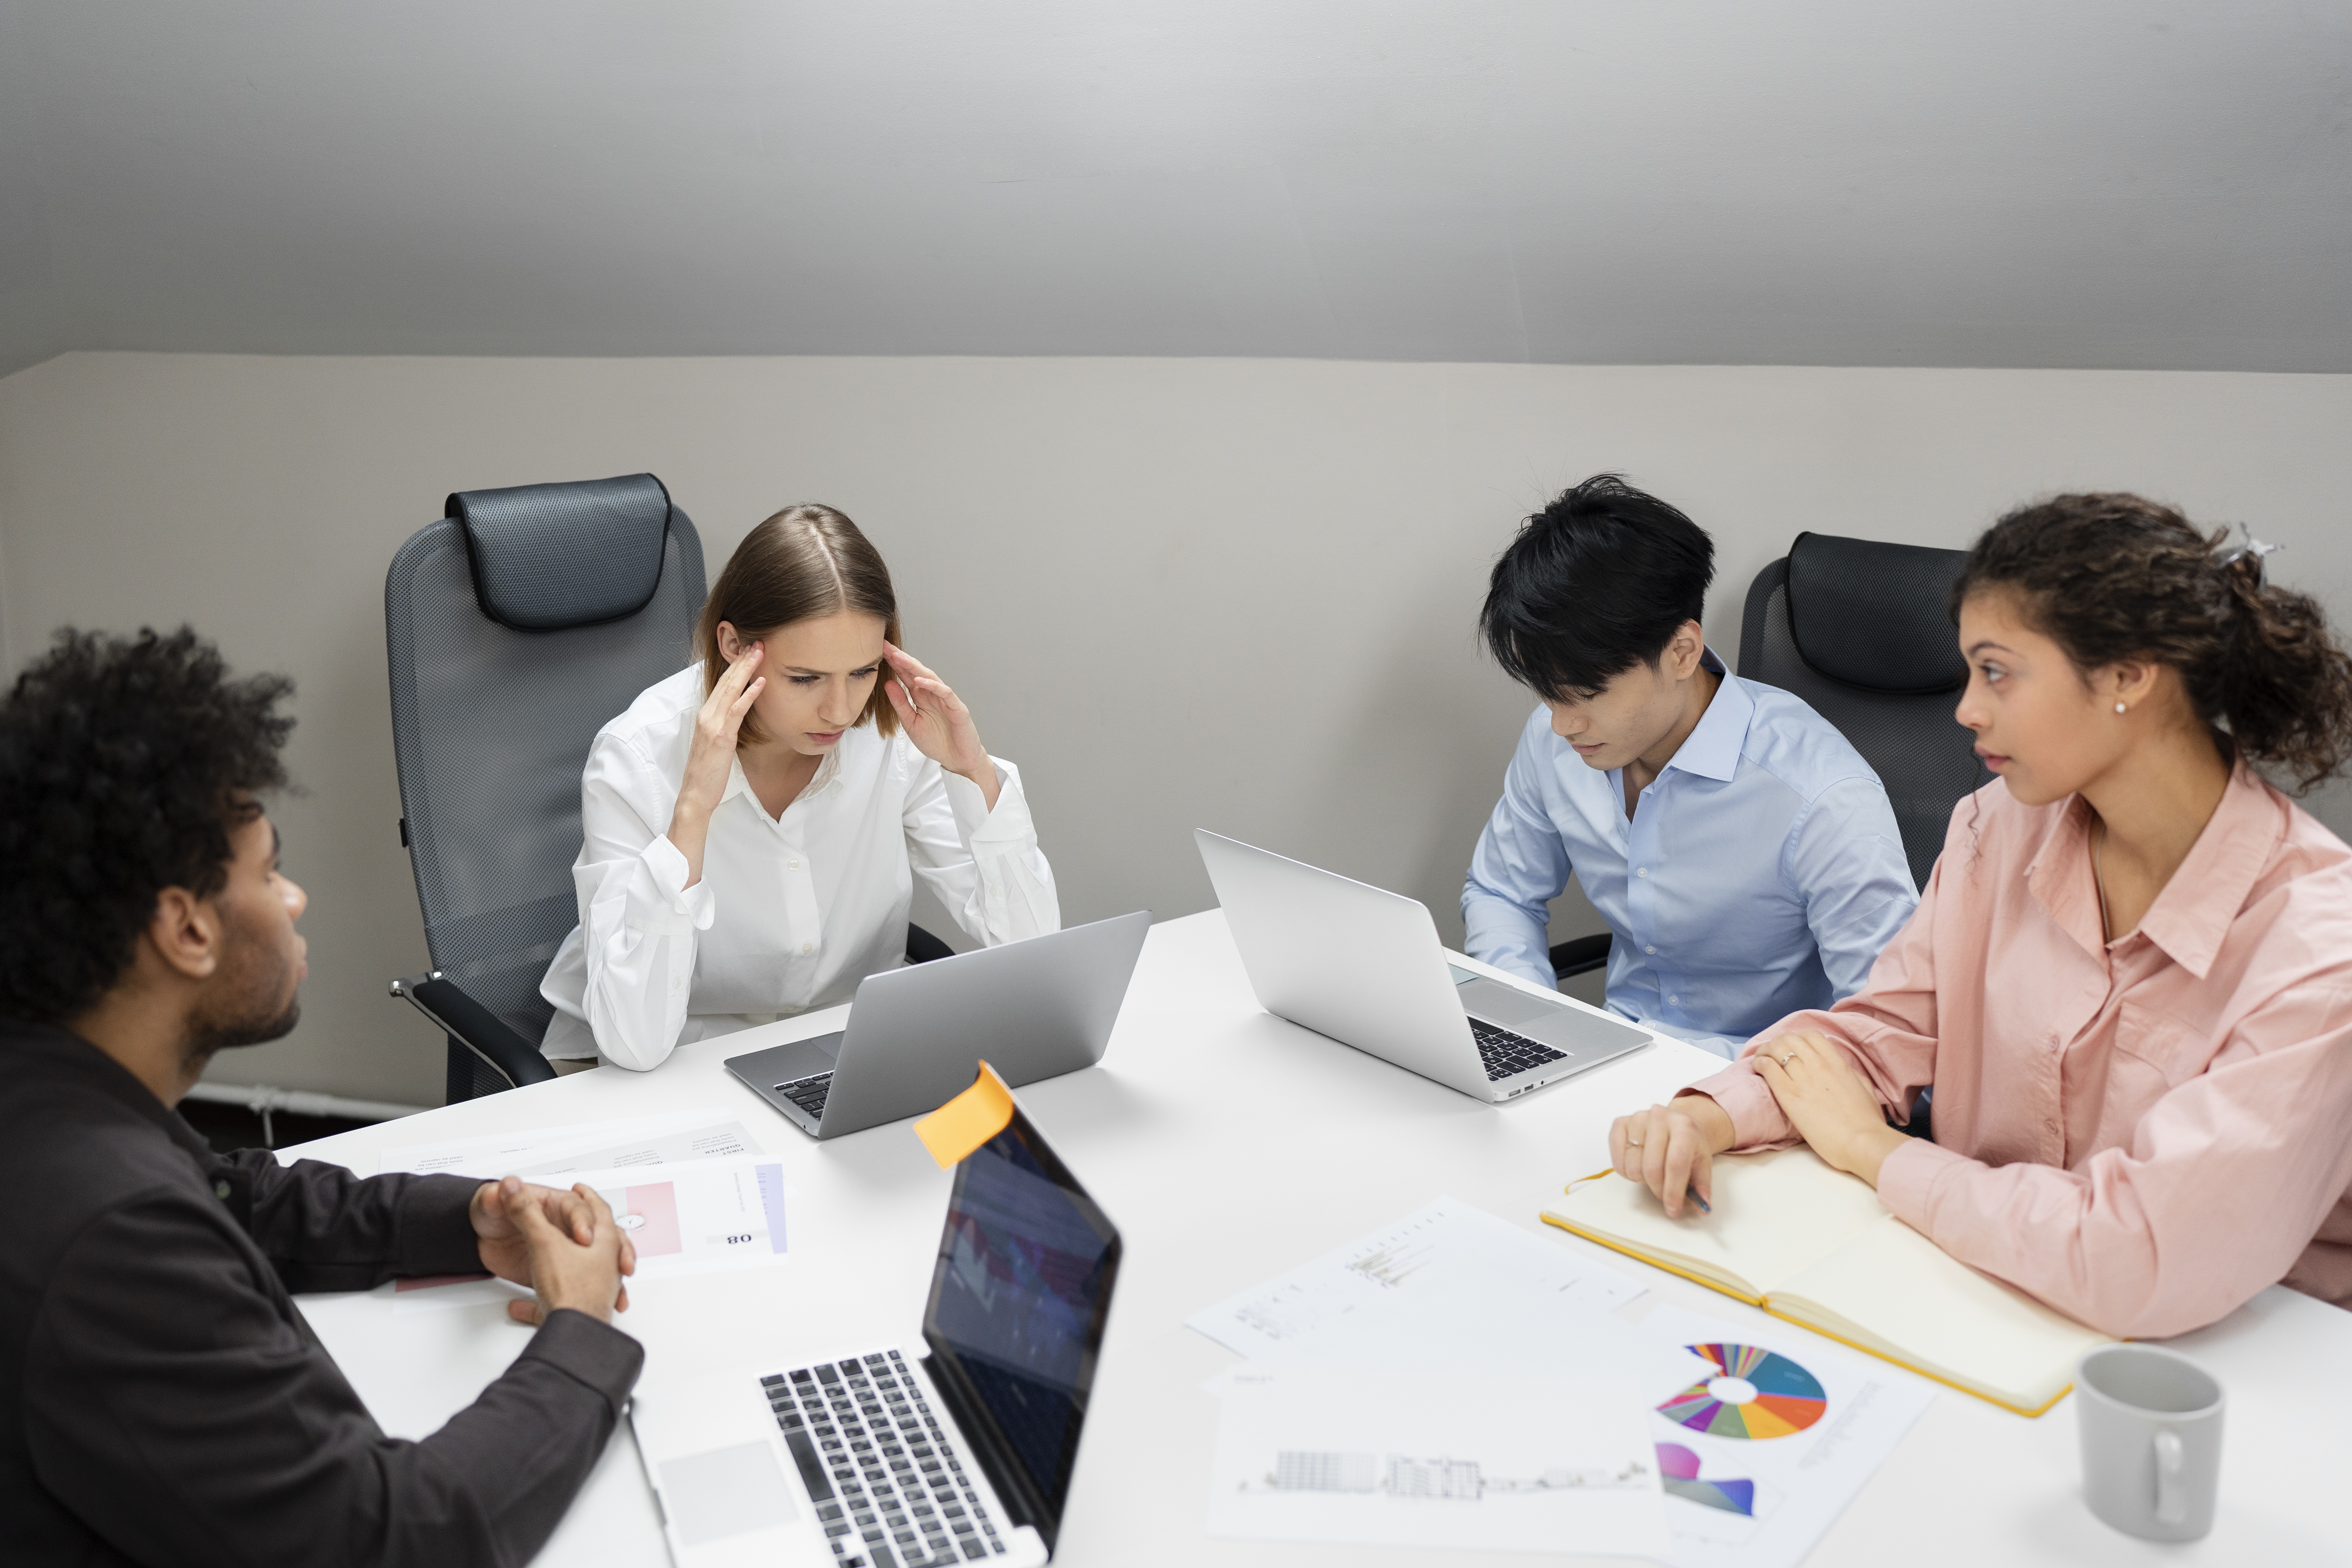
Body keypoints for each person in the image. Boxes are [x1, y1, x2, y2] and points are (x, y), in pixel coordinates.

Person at [1611, 494, 2352, 1339]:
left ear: (2128, 675)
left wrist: (1873, 1150)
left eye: (1996, 671)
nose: (1965, 709)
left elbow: (2136, 1255)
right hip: (1986, 1289)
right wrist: (1709, 1116)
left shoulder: (2320, 953)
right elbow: (1879, 1035)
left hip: (2249, 1350)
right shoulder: (1997, 825)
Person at [0, 628, 642, 1567]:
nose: (293, 898)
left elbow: (228, 1194)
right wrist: (580, 1333)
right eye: (268, 871)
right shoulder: (109, 1241)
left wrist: (467, 1221)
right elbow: (400, 1541)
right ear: (186, 929)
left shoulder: (54, 1093)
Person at [540, 503, 1059, 1071]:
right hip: (678, 1059)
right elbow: (635, 1044)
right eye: (806, 678)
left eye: (862, 672)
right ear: (734, 646)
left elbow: (1032, 953)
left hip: (841, 1049)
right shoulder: (636, 757)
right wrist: (693, 810)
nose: (840, 711)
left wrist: (973, 771)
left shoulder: (893, 735)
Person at [1463, 475, 1918, 1058]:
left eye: (1585, 693)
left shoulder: (1823, 798)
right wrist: (1534, 1032)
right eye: (1547, 693)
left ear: (1682, 652)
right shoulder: (1555, 742)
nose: (1562, 724)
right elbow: (1501, 892)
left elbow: (1885, 1036)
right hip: (1611, 1057)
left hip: (1761, 1084)